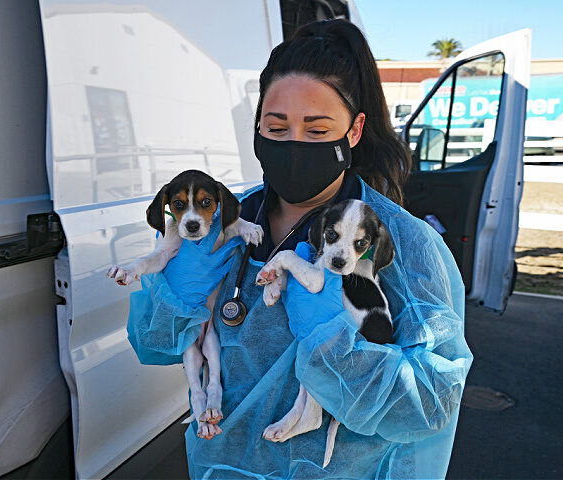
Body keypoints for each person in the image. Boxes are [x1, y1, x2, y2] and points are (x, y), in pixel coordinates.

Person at [127, 19, 473, 479]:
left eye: (315, 131)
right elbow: (155, 342)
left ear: (354, 131)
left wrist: (331, 343)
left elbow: (430, 401)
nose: (293, 145)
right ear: (256, 128)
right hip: (224, 465)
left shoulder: (401, 242)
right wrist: (177, 292)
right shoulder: (221, 223)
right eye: (276, 127)